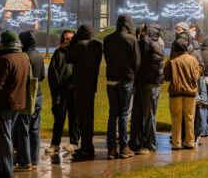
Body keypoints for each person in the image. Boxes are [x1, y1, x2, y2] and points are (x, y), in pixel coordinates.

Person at [0, 30, 30, 178]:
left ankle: (3, 170)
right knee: (5, 136)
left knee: (2, 139)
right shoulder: (23, 57)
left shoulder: (5, 60)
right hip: (17, 102)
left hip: (2, 104)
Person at [102, 15, 139, 159]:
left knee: (113, 114)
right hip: (126, 79)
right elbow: (136, 61)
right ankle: (124, 146)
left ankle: (111, 148)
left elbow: (107, 57)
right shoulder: (131, 39)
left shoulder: (108, 39)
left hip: (111, 79)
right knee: (123, 114)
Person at [65, 24, 102, 159]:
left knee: (82, 117)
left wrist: (73, 41)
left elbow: (68, 58)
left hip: (80, 84)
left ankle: (86, 147)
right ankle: (88, 145)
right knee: (89, 116)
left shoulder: (80, 45)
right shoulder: (98, 45)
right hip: (91, 85)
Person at [10, 30, 45, 172]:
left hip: (26, 95)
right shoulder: (39, 55)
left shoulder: (22, 56)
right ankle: (35, 159)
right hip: (38, 95)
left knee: (23, 128)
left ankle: (25, 162)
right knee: (35, 129)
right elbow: (42, 76)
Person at [130, 23, 165, 154]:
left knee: (149, 116)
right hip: (146, 83)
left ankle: (150, 144)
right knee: (142, 114)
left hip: (150, 84)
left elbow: (151, 67)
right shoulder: (148, 45)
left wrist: (141, 79)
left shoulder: (154, 46)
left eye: (145, 31)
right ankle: (141, 141)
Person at [164, 35, 201, 150]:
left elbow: (166, 77)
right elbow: (196, 76)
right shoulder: (193, 60)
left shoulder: (171, 61)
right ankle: (190, 142)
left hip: (175, 93)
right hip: (190, 94)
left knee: (176, 119)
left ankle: (177, 143)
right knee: (190, 118)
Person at [46, 29, 78, 155]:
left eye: (71, 39)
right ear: (63, 40)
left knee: (74, 119)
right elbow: (53, 75)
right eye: (66, 39)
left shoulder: (77, 53)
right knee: (59, 119)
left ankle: (74, 142)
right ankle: (55, 144)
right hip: (62, 92)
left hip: (74, 91)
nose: (69, 41)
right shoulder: (58, 53)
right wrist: (56, 93)